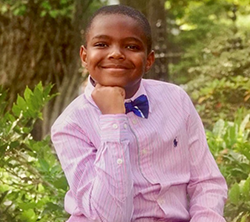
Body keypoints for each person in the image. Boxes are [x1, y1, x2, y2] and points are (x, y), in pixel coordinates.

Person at [51, 5, 227, 222]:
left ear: (149, 61)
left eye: (131, 46)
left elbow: (206, 182)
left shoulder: (176, 100)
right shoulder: (70, 125)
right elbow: (111, 217)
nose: (115, 53)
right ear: (84, 56)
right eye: (102, 44)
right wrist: (113, 120)